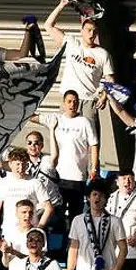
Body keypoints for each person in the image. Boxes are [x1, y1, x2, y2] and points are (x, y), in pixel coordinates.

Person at [45, 0, 113, 136]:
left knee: (91, 139)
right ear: (81, 31)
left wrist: (104, 96)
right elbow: (48, 26)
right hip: (68, 99)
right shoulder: (71, 43)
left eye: (94, 31)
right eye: (88, 30)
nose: (91, 33)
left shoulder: (102, 54)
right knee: (64, 137)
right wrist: (61, 5)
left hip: (89, 101)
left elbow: (110, 80)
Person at [0, 147, 56, 247]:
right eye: (17, 164)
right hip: (9, 231)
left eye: (23, 164)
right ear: (10, 164)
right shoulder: (2, 184)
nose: (21, 168)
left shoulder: (35, 182)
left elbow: (49, 208)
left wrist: (39, 228)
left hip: (30, 232)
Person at [46, 90, 100, 221]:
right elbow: (35, 117)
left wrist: (94, 167)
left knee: (76, 215)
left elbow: (94, 145)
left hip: (77, 176)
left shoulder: (85, 122)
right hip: (58, 175)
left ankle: (75, 240)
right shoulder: (57, 119)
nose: (72, 104)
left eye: (75, 102)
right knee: (58, 213)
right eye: (69, 101)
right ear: (63, 103)